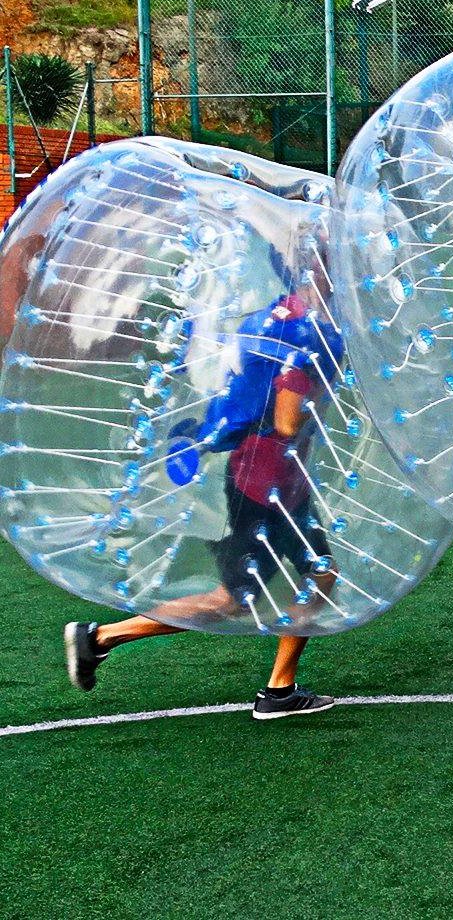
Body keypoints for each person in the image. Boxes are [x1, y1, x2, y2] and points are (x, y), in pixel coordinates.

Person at [64, 282, 342, 719]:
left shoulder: (274, 320)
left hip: (269, 479)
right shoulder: (304, 342)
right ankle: (101, 638)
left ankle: (280, 688)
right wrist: (320, 398)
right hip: (266, 485)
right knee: (242, 596)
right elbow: (287, 423)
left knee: (314, 573)